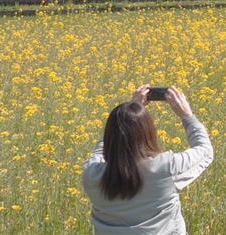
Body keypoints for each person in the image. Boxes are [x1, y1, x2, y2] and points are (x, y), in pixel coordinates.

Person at [82, 85, 213, 234]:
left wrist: (126, 115)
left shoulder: (91, 175)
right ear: (148, 132)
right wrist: (187, 116)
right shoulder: (165, 168)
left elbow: (101, 149)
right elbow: (205, 150)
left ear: (109, 134)